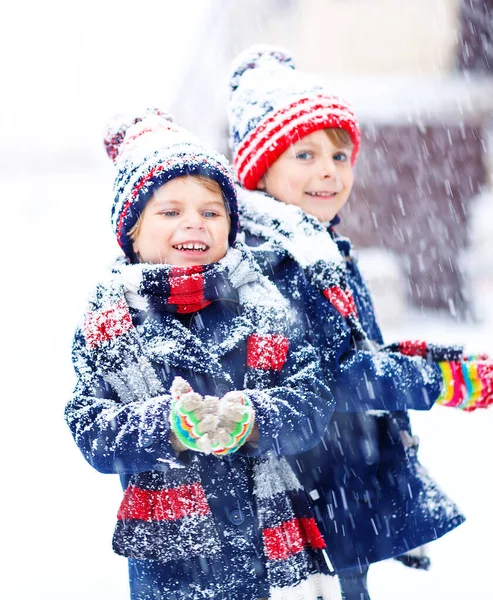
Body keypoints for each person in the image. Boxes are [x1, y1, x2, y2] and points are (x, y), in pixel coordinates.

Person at [227, 46, 493, 600]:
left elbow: (352, 346)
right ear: (259, 169)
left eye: (340, 155)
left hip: (337, 489)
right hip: (304, 499)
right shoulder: (277, 261)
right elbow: (340, 377)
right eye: (303, 155)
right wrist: (443, 383)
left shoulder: (317, 246)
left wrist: (421, 357)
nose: (328, 169)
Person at [64, 109, 344, 600]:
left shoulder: (263, 304)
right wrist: (164, 426)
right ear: (130, 231)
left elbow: (312, 399)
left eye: (211, 212)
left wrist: (255, 420)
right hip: (174, 564)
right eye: (170, 212)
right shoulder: (109, 323)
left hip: (268, 549)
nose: (194, 222)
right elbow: (90, 425)